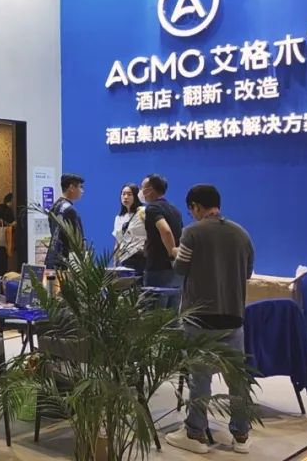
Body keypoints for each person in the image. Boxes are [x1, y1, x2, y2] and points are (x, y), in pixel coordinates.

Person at [165, 184, 255, 455]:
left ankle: (195, 434)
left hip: (199, 318)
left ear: (195, 206)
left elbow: (180, 268)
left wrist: (174, 253)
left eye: (191, 209)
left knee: (200, 378)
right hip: (233, 317)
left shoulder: (192, 232)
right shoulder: (242, 234)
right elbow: (248, 273)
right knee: (237, 379)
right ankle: (241, 435)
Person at [140, 174, 184, 308]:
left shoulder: (153, 208)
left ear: (150, 190)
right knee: (173, 315)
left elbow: (165, 230)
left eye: (142, 188)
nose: (141, 192)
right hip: (176, 272)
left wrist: (171, 253)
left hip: (158, 269)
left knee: (155, 315)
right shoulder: (175, 210)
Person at [47, 174, 85, 270]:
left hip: (51, 257)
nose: (82, 191)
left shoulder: (54, 206)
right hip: (64, 261)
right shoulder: (70, 210)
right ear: (71, 187)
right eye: (80, 187)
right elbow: (77, 241)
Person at [113, 184, 147, 274]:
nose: (125, 197)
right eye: (123, 194)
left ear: (136, 196)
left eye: (129, 194)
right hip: (125, 259)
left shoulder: (143, 212)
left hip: (141, 258)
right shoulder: (119, 218)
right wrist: (115, 263)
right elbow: (118, 241)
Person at [0, 193, 15, 276]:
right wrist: (11, 224)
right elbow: (4, 223)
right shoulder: (6, 210)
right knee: (2, 265)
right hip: (2, 242)